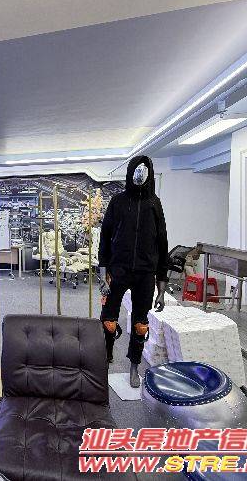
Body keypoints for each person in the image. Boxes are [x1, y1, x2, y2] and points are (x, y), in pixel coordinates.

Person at [97, 155, 169, 388]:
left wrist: (161, 286)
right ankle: (106, 357)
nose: (140, 174)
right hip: (117, 269)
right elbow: (105, 237)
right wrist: (103, 275)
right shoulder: (117, 202)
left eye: (144, 170)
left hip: (145, 273)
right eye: (136, 169)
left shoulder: (154, 204)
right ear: (129, 172)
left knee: (141, 324)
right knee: (109, 320)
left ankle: (134, 366)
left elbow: (163, 243)